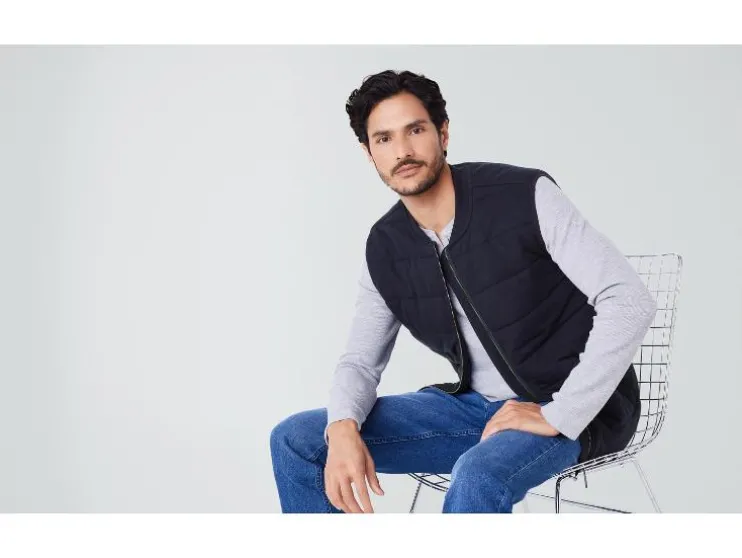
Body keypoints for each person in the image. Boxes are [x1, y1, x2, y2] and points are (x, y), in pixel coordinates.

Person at [269, 70, 657, 513]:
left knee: (478, 474)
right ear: (368, 152)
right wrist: (342, 425)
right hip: (474, 410)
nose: (402, 151)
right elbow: (360, 360)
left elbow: (629, 301)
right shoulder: (386, 246)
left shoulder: (523, 195)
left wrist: (560, 413)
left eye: (415, 130)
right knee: (297, 440)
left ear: (443, 132)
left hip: (575, 407)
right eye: (384, 139)